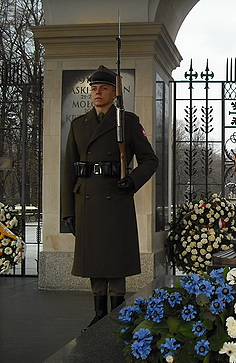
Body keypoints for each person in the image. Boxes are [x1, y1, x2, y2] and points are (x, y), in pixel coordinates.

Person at [61, 66, 159, 329]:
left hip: (115, 199)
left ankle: (116, 314)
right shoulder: (78, 124)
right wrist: (67, 211)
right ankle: (98, 313)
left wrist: (132, 181)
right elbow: (69, 168)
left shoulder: (127, 121)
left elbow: (150, 159)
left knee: (114, 261)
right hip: (87, 201)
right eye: (93, 89)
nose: (97, 93)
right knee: (93, 261)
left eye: (103, 88)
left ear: (115, 93)